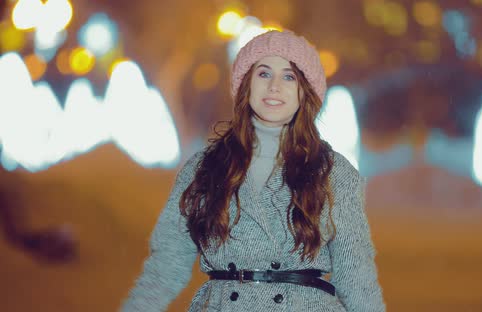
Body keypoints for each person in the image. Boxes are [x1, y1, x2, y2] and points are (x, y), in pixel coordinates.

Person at [121, 30, 385, 311]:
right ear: (245, 84)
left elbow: (356, 278)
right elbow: (165, 266)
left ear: (304, 91)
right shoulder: (204, 169)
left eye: (288, 76)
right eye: (263, 73)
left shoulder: (333, 172)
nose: (274, 87)